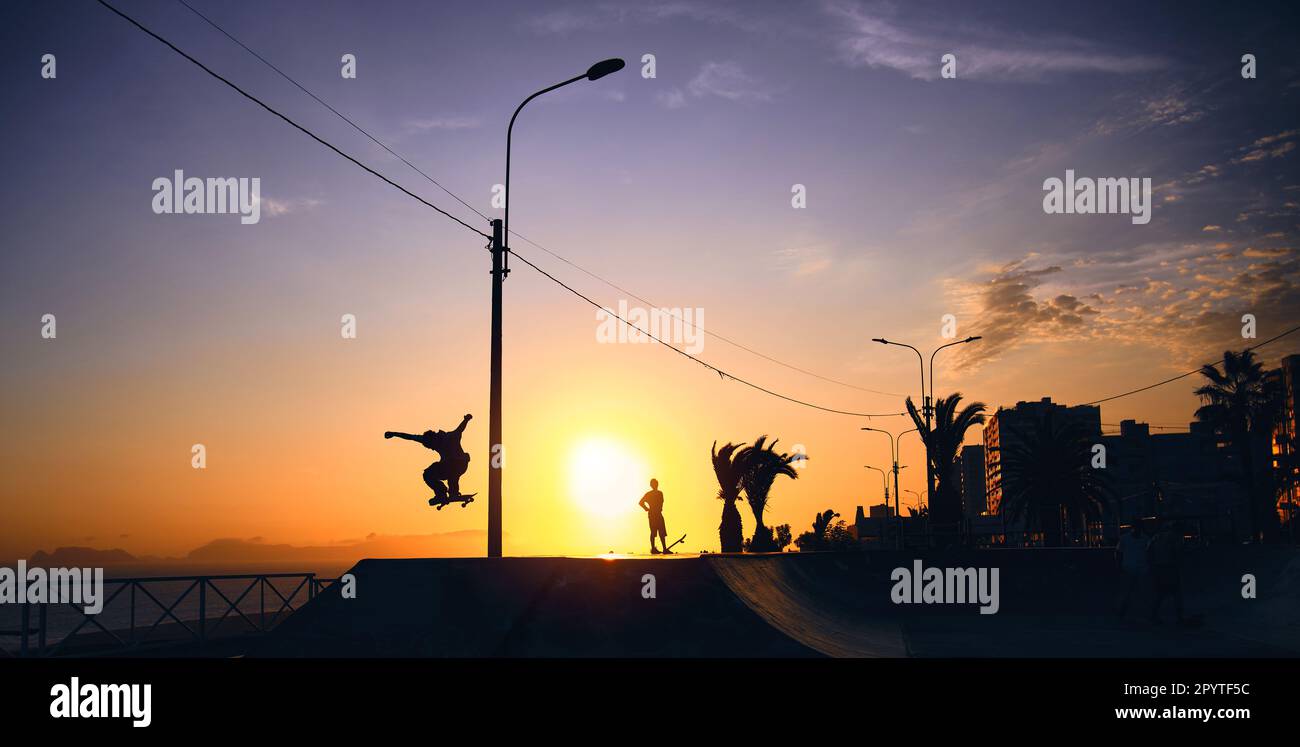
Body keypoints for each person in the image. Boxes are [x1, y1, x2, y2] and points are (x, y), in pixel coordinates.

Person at [384, 414, 472, 506]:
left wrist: (466, 419)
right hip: (452, 466)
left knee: (447, 467)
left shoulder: (450, 437)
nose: (433, 448)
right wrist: (394, 434)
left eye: (432, 446)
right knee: (428, 474)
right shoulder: (427, 439)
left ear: (435, 439)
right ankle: (442, 493)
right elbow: (410, 437)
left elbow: (460, 429)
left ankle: (451, 492)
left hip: (459, 464)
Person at [1147, 519, 1185, 625]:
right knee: (1176, 592)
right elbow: (1177, 551)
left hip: (1158, 567)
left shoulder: (1156, 537)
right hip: (1170, 566)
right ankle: (1179, 616)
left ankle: (1153, 615)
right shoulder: (1175, 537)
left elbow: (1149, 551)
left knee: (1160, 592)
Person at [1115, 522, 1148, 619]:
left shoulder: (1145, 539)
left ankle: (1139, 612)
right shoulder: (1125, 538)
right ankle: (1121, 611)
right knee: (1126, 592)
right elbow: (1118, 553)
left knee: (1140, 592)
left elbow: (1118, 553)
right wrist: (1119, 566)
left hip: (1140, 568)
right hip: (1128, 568)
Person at [638, 478, 670, 554]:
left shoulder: (659, 493)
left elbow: (641, 502)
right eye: (654, 484)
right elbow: (640, 502)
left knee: (661, 531)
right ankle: (654, 549)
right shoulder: (650, 494)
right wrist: (646, 508)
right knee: (653, 532)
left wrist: (646, 508)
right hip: (653, 514)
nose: (655, 485)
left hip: (657, 514)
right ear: (652, 485)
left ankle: (664, 549)